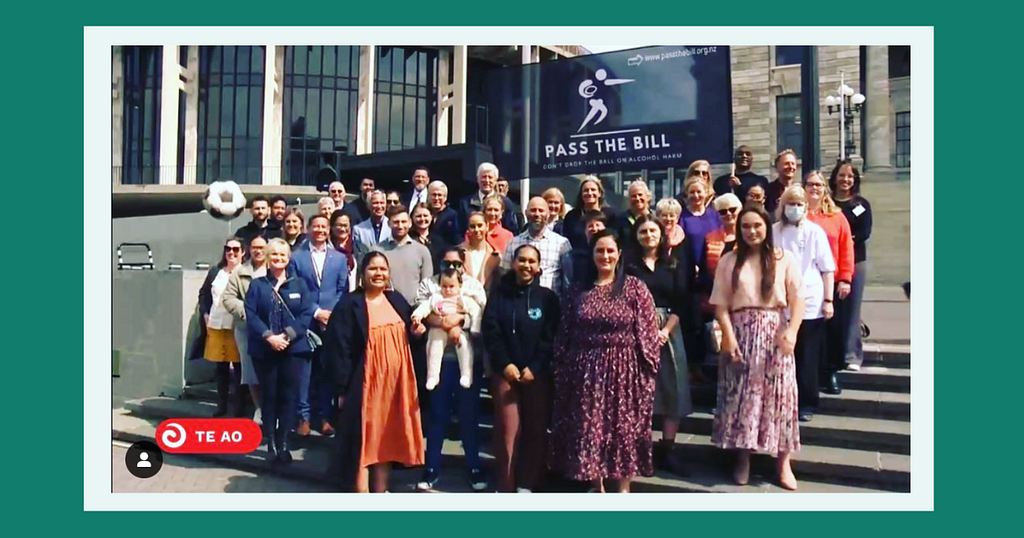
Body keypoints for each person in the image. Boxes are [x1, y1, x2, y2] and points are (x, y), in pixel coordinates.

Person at [549, 230, 661, 493]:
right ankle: (595, 483)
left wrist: (648, 367)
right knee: (590, 427)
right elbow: (565, 330)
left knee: (623, 429)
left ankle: (623, 486)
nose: (605, 256)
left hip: (625, 370)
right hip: (585, 369)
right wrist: (561, 363)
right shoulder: (579, 289)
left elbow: (647, 328)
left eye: (610, 250)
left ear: (619, 254)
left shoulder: (635, 287)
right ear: (592, 255)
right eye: (600, 251)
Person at [709, 205, 804, 490]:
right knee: (741, 398)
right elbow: (721, 305)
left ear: (766, 228)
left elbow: (798, 299)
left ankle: (783, 462)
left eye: (757, 226)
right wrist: (729, 337)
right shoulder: (729, 260)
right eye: (746, 226)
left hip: (775, 333)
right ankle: (743, 458)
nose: (752, 231)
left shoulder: (783, 258)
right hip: (740, 332)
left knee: (782, 396)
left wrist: (792, 331)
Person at [324, 252, 426, 492]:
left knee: (385, 441)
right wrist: (341, 389)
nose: (378, 273)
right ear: (362, 273)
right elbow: (339, 348)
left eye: (383, 269)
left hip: (396, 386)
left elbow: (411, 335)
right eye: (373, 269)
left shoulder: (397, 300)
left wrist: (417, 333)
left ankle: (381, 493)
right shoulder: (350, 304)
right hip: (365, 385)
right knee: (363, 443)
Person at [625, 216, 700, 477]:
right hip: (634, 330)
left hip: (668, 328)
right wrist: (642, 330)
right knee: (638, 392)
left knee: (673, 388)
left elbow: (681, 302)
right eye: (643, 231)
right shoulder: (630, 265)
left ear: (661, 234)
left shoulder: (673, 264)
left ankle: (668, 449)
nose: (648, 235)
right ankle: (639, 448)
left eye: (653, 230)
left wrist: (664, 331)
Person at [483, 244, 561, 492]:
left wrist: (535, 367)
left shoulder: (547, 299)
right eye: (522, 260)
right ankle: (505, 486)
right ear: (514, 263)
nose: (526, 266)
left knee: (535, 431)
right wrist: (505, 364)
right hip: (505, 373)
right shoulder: (499, 295)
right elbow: (491, 331)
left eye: (531, 262)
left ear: (538, 267)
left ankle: (527, 484)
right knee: (508, 432)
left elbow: (551, 337)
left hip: (536, 375)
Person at [413, 247, 488, 492]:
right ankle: (431, 466)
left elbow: (480, 313)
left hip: (467, 360)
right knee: (437, 415)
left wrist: (461, 322)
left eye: (456, 264)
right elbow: (423, 313)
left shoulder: (473, 286)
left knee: (469, 416)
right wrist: (447, 322)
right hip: (439, 361)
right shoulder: (429, 285)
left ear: (463, 265)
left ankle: (474, 466)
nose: (451, 268)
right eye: (447, 263)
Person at [245, 238, 316, 464]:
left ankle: (283, 442)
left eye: (282, 255)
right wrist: (269, 337)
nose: (278, 259)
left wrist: (286, 335)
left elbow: (306, 315)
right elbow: (251, 314)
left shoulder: (300, 284)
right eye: (274, 255)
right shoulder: (257, 285)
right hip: (265, 349)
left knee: (288, 397)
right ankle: (271, 442)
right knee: (270, 396)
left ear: (288, 258)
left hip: (293, 349)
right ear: (267, 257)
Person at [773, 186, 836, 423]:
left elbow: (827, 268)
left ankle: (806, 402)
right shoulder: (774, 231)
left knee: (807, 356)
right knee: (783, 355)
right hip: (780, 301)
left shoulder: (815, 232)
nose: (795, 208)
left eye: (800, 203)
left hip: (810, 301)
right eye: (792, 203)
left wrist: (828, 300)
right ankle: (782, 400)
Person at [289, 213, 349, 437]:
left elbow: (343, 290)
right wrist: (316, 312)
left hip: (331, 323)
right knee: (304, 372)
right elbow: (294, 288)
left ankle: (325, 417)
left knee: (326, 371)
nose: (320, 230)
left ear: (329, 229)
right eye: (316, 226)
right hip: (306, 319)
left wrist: (330, 315)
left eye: (324, 226)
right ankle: (303, 417)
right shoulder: (296, 257)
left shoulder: (339, 258)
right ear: (308, 228)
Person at [804, 171, 854, 395]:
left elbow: (846, 249)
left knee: (833, 332)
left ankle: (831, 372)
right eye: (810, 184)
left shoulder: (837, 216)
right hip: (805, 283)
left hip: (832, 282)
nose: (815, 188)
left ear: (825, 188)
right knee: (811, 334)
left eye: (819, 185)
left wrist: (845, 278)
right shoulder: (798, 215)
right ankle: (810, 375)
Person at [830, 162, 872, 372]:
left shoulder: (861, 204)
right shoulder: (827, 203)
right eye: (842, 175)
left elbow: (864, 232)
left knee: (852, 309)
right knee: (833, 310)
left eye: (850, 177)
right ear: (835, 178)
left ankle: (852, 355)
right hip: (830, 262)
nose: (846, 180)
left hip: (855, 260)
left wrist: (844, 241)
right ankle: (832, 355)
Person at [222, 235, 268, 422]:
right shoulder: (239, 273)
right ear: (249, 250)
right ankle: (259, 408)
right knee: (250, 372)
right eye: (254, 247)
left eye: (262, 247)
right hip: (246, 328)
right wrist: (246, 311)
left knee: (270, 370)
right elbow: (228, 298)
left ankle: (272, 407)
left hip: (271, 328)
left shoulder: (275, 269)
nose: (258, 251)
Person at [412, 268, 481, 390]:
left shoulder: (464, 299)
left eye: (451, 286)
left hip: (458, 329)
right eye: (444, 286)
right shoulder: (435, 298)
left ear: (460, 285)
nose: (448, 290)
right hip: (439, 328)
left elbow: (476, 312)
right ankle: (433, 376)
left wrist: (475, 327)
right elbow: (425, 307)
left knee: (464, 346)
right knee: (435, 346)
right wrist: (417, 316)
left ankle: (466, 374)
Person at [199, 237, 245, 417]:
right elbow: (204, 294)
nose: (231, 253)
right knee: (221, 368)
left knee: (239, 368)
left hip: (236, 325)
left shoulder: (245, 272)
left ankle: (239, 406)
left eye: (235, 249)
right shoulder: (216, 271)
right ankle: (222, 404)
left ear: (243, 252)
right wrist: (204, 313)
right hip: (216, 325)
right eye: (228, 249)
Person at [501, 197, 571, 296]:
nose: (537, 214)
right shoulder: (513, 243)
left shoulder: (562, 244)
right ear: (526, 213)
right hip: (520, 299)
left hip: (551, 304)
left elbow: (568, 279)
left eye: (541, 211)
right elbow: (505, 273)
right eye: (533, 210)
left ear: (548, 214)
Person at [373, 205, 433, 304]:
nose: (400, 226)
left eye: (403, 222)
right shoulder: (377, 251)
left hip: (414, 309)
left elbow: (427, 287)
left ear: (410, 223)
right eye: (396, 222)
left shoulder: (422, 251)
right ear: (388, 224)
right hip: (384, 306)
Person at [457, 162, 521, 234]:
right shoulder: (465, 203)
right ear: (478, 179)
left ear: (495, 180)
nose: (487, 181)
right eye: (484, 177)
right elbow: (460, 230)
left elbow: (512, 230)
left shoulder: (506, 202)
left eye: (490, 177)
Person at [679, 176, 721, 275]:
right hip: (689, 271)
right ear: (687, 194)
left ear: (706, 193)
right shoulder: (682, 217)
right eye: (692, 192)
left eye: (699, 191)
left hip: (713, 270)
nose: (696, 195)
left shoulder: (715, 215)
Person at [562, 175, 618, 249]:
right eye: (586, 190)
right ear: (581, 194)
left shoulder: (612, 215)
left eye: (593, 190)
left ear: (600, 193)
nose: (589, 193)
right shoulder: (572, 216)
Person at [559, 210, 607, 291]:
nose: (594, 229)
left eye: (597, 225)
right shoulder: (573, 257)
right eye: (590, 226)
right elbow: (567, 285)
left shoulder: (612, 253)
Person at [329, 210, 367, 293]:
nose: (343, 229)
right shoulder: (326, 249)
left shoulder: (360, 249)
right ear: (331, 227)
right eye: (339, 225)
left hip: (355, 295)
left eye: (345, 225)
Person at [461, 212, 501, 290]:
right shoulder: (459, 253)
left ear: (487, 227)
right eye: (472, 226)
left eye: (480, 225)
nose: (476, 229)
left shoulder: (495, 256)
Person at [615, 180, 655, 255]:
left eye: (640, 195)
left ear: (648, 197)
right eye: (633, 196)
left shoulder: (656, 218)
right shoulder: (619, 220)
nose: (637, 198)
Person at [410, 202, 449, 274]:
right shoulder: (408, 239)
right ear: (412, 218)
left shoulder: (439, 241)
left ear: (431, 217)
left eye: (425, 216)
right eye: (418, 216)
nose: (422, 219)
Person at [426, 180, 461, 247]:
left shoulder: (453, 216)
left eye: (439, 195)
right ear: (428, 196)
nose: (436, 198)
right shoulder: (423, 214)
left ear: (445, 197)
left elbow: (457, 240)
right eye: (433, 195)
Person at [765, 149, 799, 214]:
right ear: (777, 167)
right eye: (786, 163)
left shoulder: (799, 190)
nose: (791, 166)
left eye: (793, 164)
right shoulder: (768, 190)